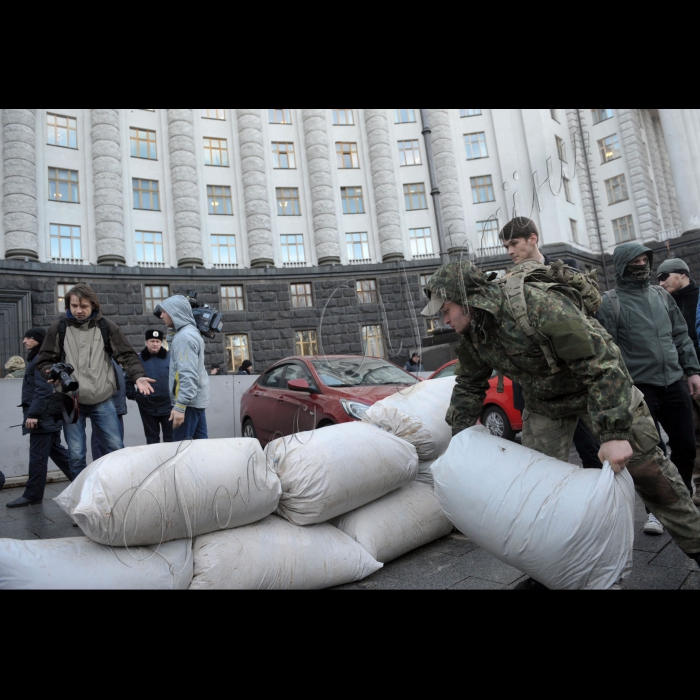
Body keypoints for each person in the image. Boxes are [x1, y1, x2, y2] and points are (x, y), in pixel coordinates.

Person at [421, 258, 700, 588]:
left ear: (468, 299)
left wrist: (613, 432)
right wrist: (459, 440)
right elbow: (469, 383)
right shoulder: (473, 333)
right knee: (537, 495)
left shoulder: (536, 306)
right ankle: (548, 574)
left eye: (446, 309)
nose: (444, 319)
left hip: (598, 391)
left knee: (655, 480)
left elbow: (603, 362)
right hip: (547, 406)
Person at [597, 244, 700, 533]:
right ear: (621, 265)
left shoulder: (661, 296)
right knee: (653, 453)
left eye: (645, 260)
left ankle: (679, 500)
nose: (641, 265)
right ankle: (655, 511)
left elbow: (680, 334)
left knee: (686, 446)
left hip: (674, 381)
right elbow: (608, 351)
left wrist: (692, 371)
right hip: (639, 388)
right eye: (635, 261)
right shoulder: (610, 302)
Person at [500, 217, 603, 470]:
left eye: (514, 243)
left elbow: (591, 313)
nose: (510, 251)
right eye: (506, 247)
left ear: (532, 239)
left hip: (579, 382)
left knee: (592, 454)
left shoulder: (566, 269)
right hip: (541, 393)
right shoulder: (507, 282)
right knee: (544, 467)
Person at [37, 284, 155, 480]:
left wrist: (138, 376)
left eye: (83, 306)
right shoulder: (58, 328)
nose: (78, 310)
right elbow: (44, 360)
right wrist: (50, 373)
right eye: (74, 305)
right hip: (71, 400)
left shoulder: (107, 327)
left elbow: (127, 356)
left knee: (116, 448)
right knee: (76, 455)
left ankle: (122, 489)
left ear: (93, 305)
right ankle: (81, 497)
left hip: (102, 397)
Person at [6, 328, 71, 508]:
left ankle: (32, 495)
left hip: (42, 416)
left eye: (29, 338)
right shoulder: (38, 358)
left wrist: (33, 414)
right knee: (57, 452)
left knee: (38, 457)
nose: (24, 341)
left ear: (38, 340)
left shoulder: (39, 360)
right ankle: (86, 480)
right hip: (48, 415)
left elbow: (43, 389)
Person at [657, 257, 700, 505]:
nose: (661, 282)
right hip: (682, 375)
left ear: (682, 274)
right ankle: (698, 484)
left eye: (664, 276)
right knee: (692, 433)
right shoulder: (665, 304)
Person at [154, 295, 209, 441]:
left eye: (165, 311)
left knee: (181, 452)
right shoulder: (190, 332)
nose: (161, 315)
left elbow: (187, 373)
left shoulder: (184, 338)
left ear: (175, 313)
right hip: (195, 402)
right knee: (200, 450)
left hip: (187, 405)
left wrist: (180, 406)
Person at [126, 329, 173, 444]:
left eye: (157, 341)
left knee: (171, 439)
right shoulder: (137, 360)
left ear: (161, 343)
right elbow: (128, 379)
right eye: (152, 341)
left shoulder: (170, 359)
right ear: (146, 342)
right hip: (147, 406)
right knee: (152, 439)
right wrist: (135, 396)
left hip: (168, 406)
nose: (155, 344)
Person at [91, 358, 127, 461]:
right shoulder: (99, 359)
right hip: (103, 409)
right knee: (101, 444)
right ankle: (100, 472)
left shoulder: (114, 360)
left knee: (117, 445)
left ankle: (116, 471)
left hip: (117, 408)